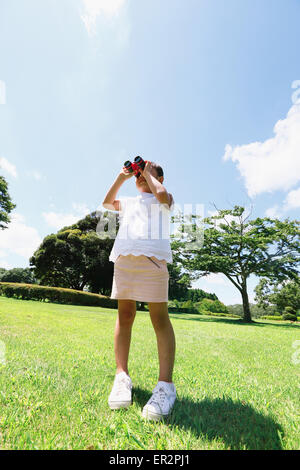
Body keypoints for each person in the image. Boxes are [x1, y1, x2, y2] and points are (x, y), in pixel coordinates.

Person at [102, 159, 176, 421]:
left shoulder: (162, 198)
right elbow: (107, 203)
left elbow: (164, 195)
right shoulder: (131, 201)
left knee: (159, 318)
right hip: (125, 260)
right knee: (125, 316)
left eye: (149, 169)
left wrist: (146, 171)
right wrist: (122, 178)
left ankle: (165, 385)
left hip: (153, 261)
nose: (142, 174)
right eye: (139, 172)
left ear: (159, 177)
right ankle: (122, 376)